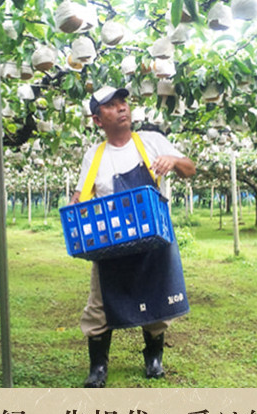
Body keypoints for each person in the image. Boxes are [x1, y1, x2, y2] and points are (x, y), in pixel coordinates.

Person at [70, 86, 196, 388]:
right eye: (111, 105)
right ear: (97, 120)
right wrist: (75, 207)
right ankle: (98, 366)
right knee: (100, 304)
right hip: (112, 241)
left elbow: (189, 169)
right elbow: (81, 196)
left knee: (156, 298)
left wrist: (173, 161)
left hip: (152, 235)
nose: (121, 108)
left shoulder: (151, 141)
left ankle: (154, 357)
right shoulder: (94, 156)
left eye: (122, 102)